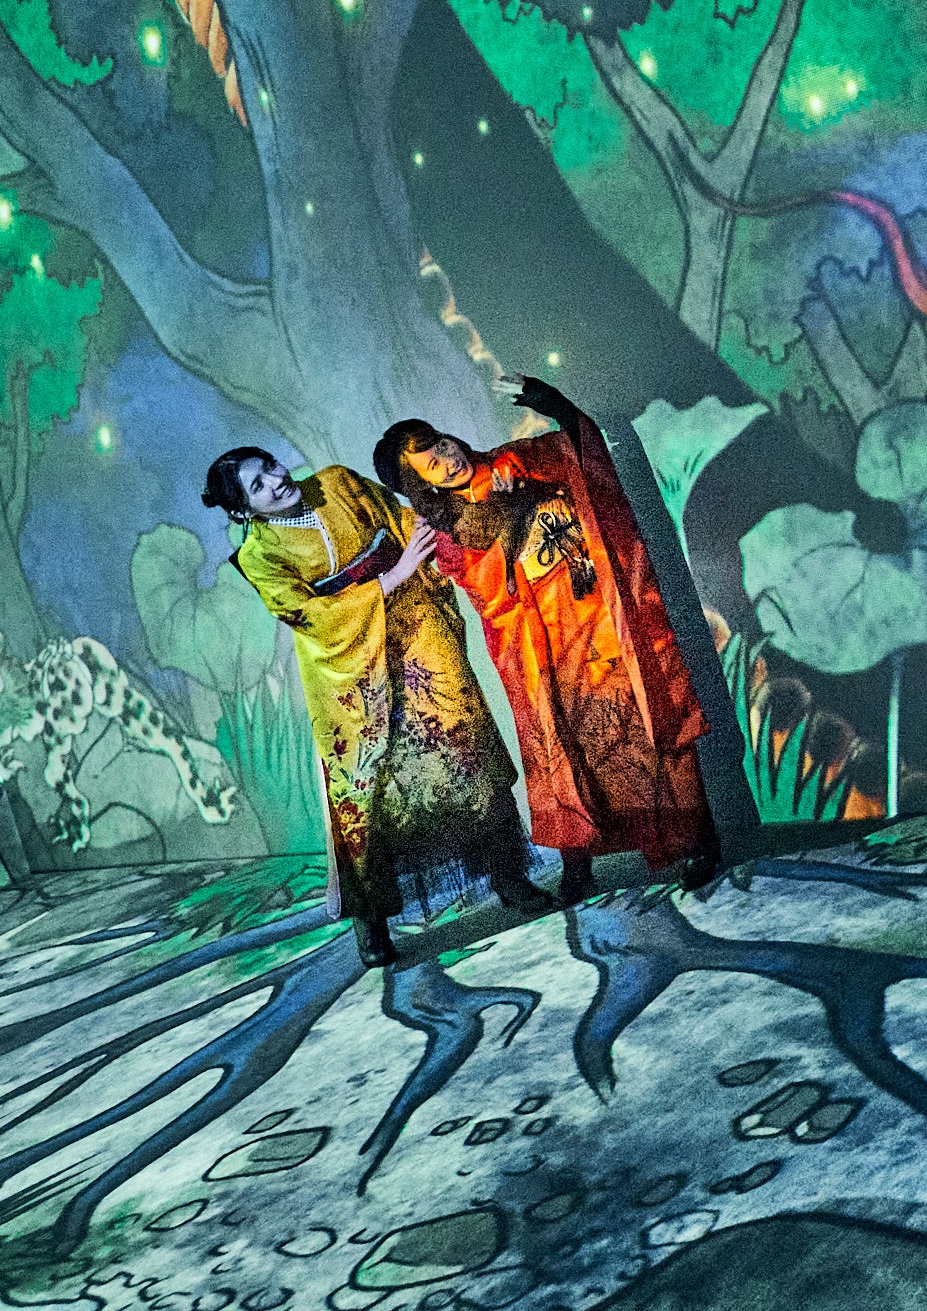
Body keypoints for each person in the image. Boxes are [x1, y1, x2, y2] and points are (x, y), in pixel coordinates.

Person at [201, 447, 555, 967]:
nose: (276, 481)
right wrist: (389, 579)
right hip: (347, 667)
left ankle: (508, 875)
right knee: (367, 789)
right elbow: (305, 612)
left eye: (271, 467)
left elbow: (402, 522)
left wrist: (425, 545)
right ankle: (372, 921)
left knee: (468, 752)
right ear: (242, 510)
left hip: (417, 629)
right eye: (258, 486)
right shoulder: (258, 556)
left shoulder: (337, 483)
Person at [374, 375, 720, 901]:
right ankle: (578, 861)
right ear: (423, 485)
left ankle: (698, 841)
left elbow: (586, 461)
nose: (448, 460)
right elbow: (492, 597)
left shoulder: (520, 459)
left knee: (652, 724)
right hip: (548, 648)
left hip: (607, 620)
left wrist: (559, 407)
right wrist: (505, 518)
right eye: (432, 465)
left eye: (441, 444)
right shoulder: (449, 533)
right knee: (565, 750)